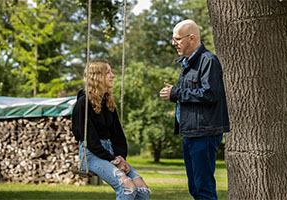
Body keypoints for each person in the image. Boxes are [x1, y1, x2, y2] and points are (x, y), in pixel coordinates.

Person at [159, 20, 230, 200]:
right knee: (195, 188)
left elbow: (209, 94)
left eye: (177, 39)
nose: (174, 43)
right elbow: (193, 94)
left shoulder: (208, 60)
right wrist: (176, 93)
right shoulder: (186, 63)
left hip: (204, 134)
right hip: (190, 133)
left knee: (203, 188)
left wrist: (176, 93)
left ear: (192, 38)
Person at [72, 60, 150, 200]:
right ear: (97, 77)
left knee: (142, 189)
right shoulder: (82, 104)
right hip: (92, 156)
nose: (112, 75)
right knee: (127, 187)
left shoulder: (108, 103)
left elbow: (118, 135)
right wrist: (113, 158)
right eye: (108, 72)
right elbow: (90, 140)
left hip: (112, 155)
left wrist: (121, 157)